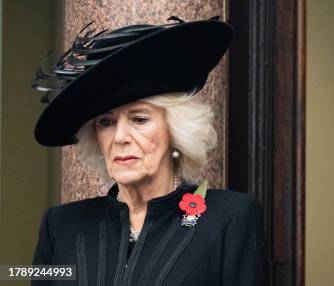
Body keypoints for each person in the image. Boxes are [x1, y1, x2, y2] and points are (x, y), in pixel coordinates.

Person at [31, 17, 267, 285]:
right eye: (105, 122)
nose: (120, 137)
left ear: (175, 131)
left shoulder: (231, 217)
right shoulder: (60, 225)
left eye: (139, 119)